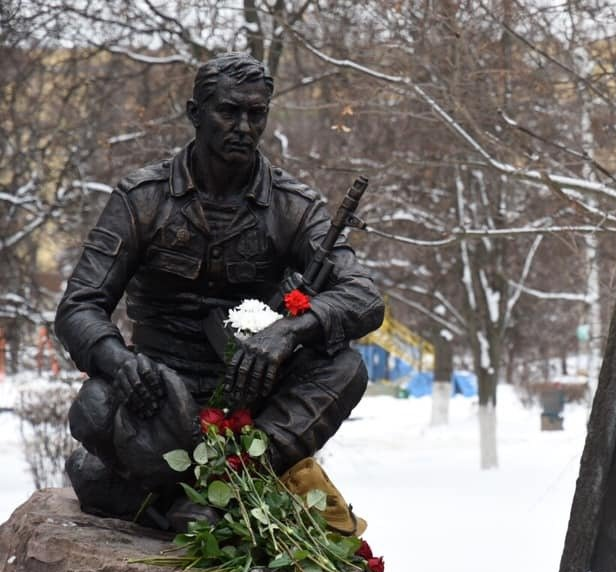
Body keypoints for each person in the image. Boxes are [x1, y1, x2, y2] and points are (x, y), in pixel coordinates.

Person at [55, 52, 383, 529]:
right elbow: (79, 306)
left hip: (255, 402)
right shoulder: (142, 198)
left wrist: (290, 332)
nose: (244, 127)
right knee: (95, 406)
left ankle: (228, 485)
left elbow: (363, 296)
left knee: (347, 368)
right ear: (195, 114)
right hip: (160, 392)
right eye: (229, 112)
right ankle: (174, 494)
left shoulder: (294, 206)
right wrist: (120, 363)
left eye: (257, 114)